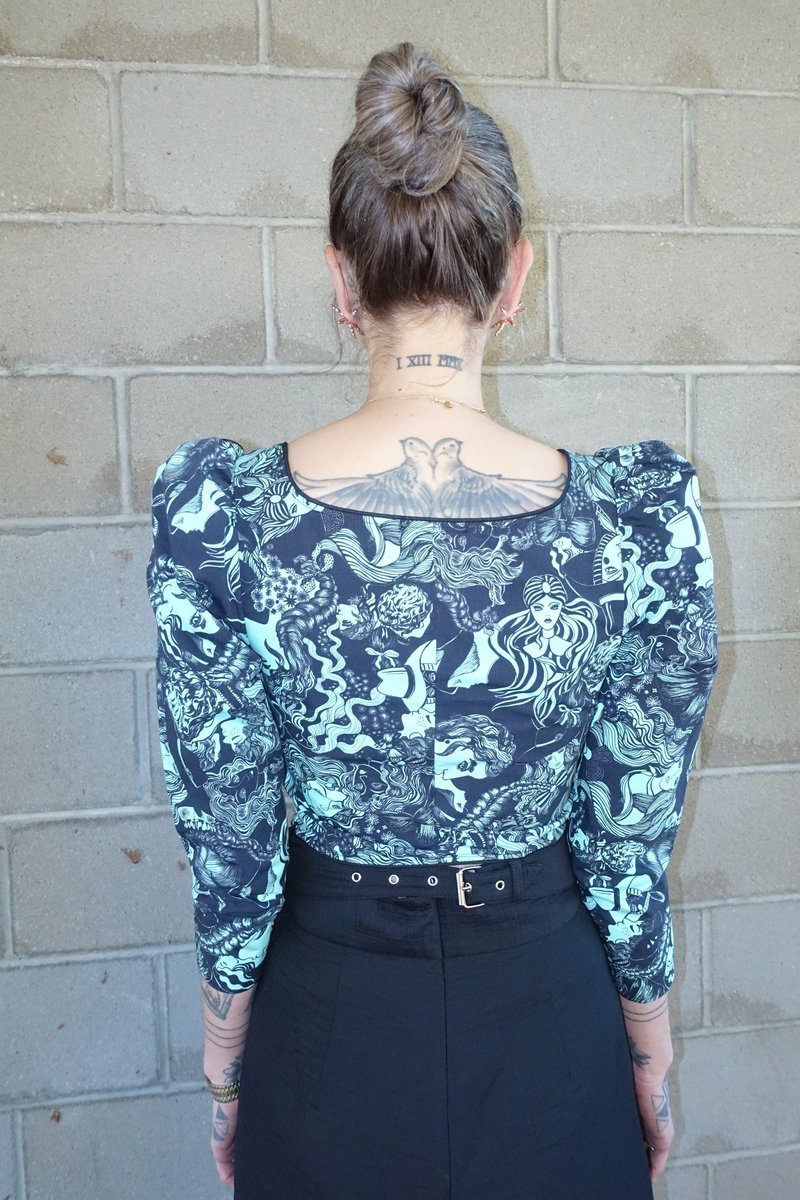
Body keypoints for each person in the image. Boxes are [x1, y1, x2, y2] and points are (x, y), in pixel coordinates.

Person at [146, 42, 719, 1200]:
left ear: (340, 279)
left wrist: (224, 1060)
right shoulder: (638, 523)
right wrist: (647, 1051)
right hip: (552, 1030)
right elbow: (627, 836)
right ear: (513, 278)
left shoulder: (222, 517)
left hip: (326, 1033)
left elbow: (231, 840)